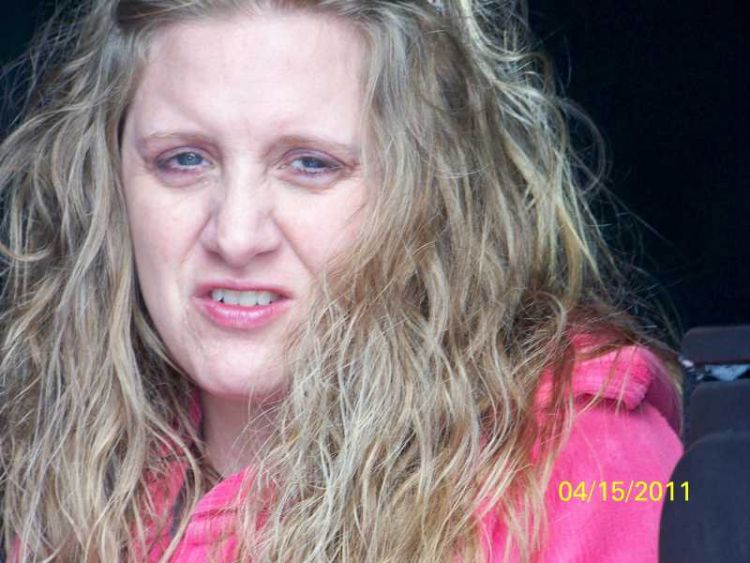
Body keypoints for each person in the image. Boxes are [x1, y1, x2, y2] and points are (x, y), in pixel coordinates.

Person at [0, 0, 683, 561]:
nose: (235, 235)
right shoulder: (53, 464)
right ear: (108, 180)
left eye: (310, 164)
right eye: (184, 159)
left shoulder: (581, 463)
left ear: (428, 190)